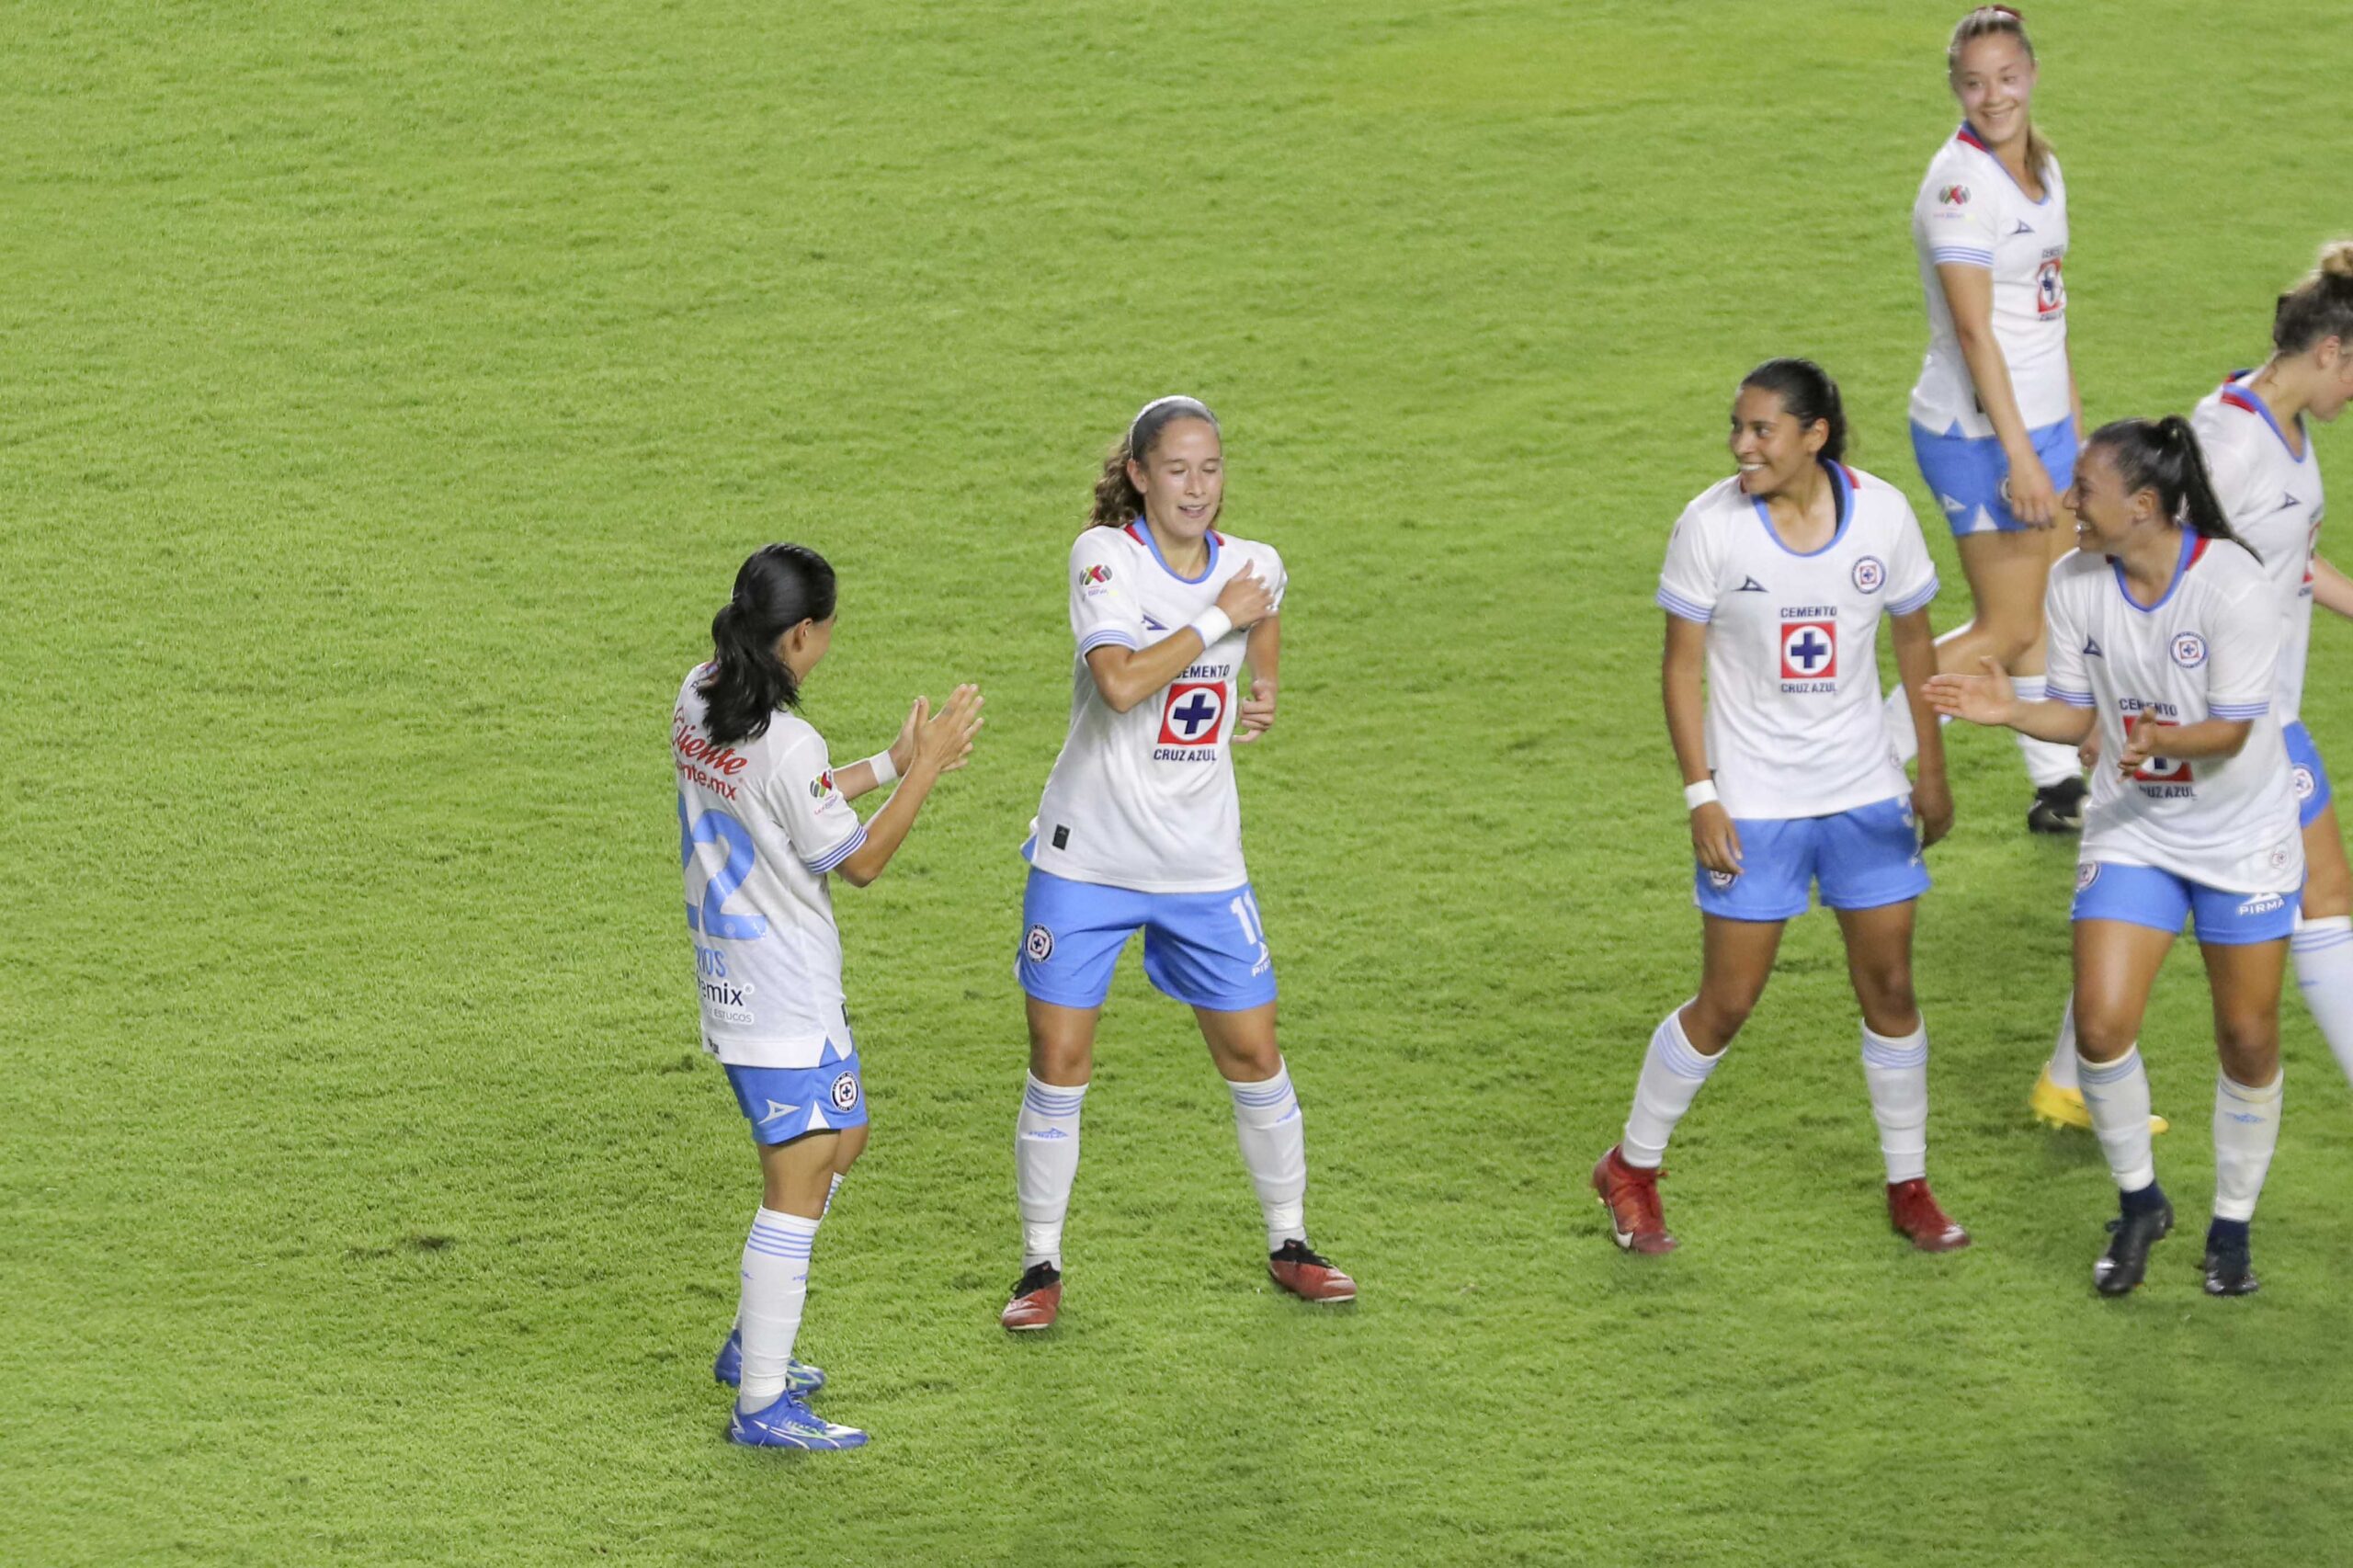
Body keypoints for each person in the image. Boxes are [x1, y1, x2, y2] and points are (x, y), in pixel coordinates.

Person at [1593, 358, 1968, 1257]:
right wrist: (1702, 793)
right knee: (1725, 1001)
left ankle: (1908, 1182)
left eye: (1761, 430)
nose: (1740, 446)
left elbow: (1914, 644)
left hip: (1863, 791)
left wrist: (1931, 768)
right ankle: (1629, 1166)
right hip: (1754, 802)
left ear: (1814, 435)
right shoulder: (1709, 526)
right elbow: (1679, 667)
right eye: (1737, 427)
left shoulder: (1882, 514)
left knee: (1890, 990)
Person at [1000, 394, 1354, 1333]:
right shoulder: (1105, 558)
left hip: (1201, 863)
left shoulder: (1255, 566)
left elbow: (1262, 613)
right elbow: (1118, 683)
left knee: (1254, 1050)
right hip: (1088, 859)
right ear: (1141, 475)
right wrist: (1216, 619)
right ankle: (1040, 1261)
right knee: (1060, 1059)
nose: (1197, 487)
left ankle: (1290, 1238)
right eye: (1178, 470)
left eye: (1211, 468)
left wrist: (1264, 678)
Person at [1929, 418, 2301, 1297]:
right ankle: (2141, 1203)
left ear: (2143, 506)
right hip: (2135, 826)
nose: (2068, 504)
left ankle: (2233, 1226)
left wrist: (2166, 738)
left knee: (2247, 1038)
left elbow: (2233, 729)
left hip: (2241, 838)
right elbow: (2074, 713)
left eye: (2083, 491)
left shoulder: (2232, 587)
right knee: (2099, 1027)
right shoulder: (2074, 582)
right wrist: (2007, 711)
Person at [2032, 242, 2353, 1126]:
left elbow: (2288, 562)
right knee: (2321, 896)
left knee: (2164, 895)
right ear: (2332, 351)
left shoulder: (2279, 432)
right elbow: (2148, 566)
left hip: (2244, 710)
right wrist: (2120, 704)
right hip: (2226, 720)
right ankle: (2074, 1076)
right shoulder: (2228, 443)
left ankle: (2070, 1076)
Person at [674, 542, 983, 1447]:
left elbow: (790, 799)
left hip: (742, 979)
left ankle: (755, 1340)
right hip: (781, 996)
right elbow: (860, 860)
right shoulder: (786, 738)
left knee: (844, 1139)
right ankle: (761, 1399)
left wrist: (886, 762)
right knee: (797, 1184)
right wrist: (928, 763)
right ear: (802, 633)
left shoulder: (698, 695)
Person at [1895, 6, 2088, 835]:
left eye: (2007, 77)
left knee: (2052, 606)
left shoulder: (2041, 167)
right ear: (1955, 88)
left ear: (2033, 74)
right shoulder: (1961, 188)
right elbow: (1976, 333)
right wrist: (2023, 457)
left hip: (2042, 429)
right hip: (1981, 438)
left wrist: (2071, 441)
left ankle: (2060, 787)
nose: (1994, 95)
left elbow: (2048, 317)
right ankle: (1834, 749)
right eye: (1975, 83)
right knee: (2008, 624)